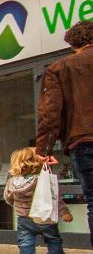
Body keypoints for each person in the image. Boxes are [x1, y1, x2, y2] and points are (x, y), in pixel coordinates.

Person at [36, 19, 93, 232]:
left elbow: (50, 113)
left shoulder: (59, 68)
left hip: (83, 141)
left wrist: (44, 149)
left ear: (72, 44)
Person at [4, 147, 72, 254]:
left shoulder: (12, 181)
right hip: (43, 216)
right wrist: (64, 212)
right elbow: (53, 197)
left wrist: (17, 205)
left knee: (25, 243)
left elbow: (8, 197)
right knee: (53, 240)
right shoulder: (41, 180)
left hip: (23, 219)